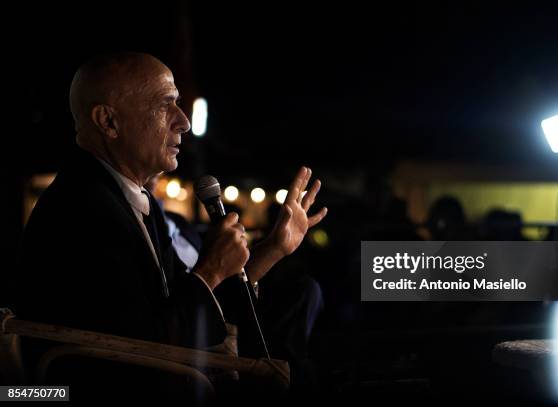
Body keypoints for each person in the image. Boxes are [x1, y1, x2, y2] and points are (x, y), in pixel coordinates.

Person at [16, 52, 327, 401]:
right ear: (108, 121)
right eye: (166, 104)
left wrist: (273, 249)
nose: (184, 122)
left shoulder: (127, 200)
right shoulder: (80, 210)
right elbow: (146, 344)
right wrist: (208, 269)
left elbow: (183, 304)